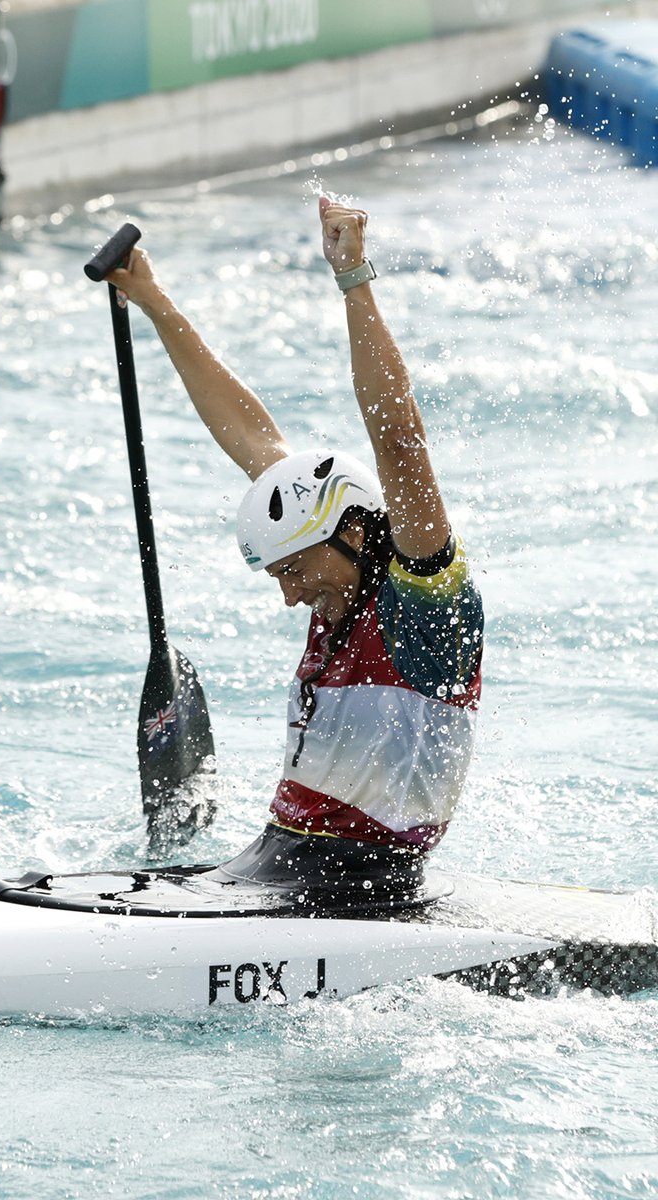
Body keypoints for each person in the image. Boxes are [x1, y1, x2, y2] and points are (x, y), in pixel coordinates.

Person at [108, 197, 483, 910]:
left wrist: (353, 278)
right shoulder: (332, 563)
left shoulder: (428, 605)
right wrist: (153, 300)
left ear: (349, 530)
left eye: (292, 571)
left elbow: (400, 439)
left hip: (361, 890)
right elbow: (253, 440)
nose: (288, 595)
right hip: (276, 864)